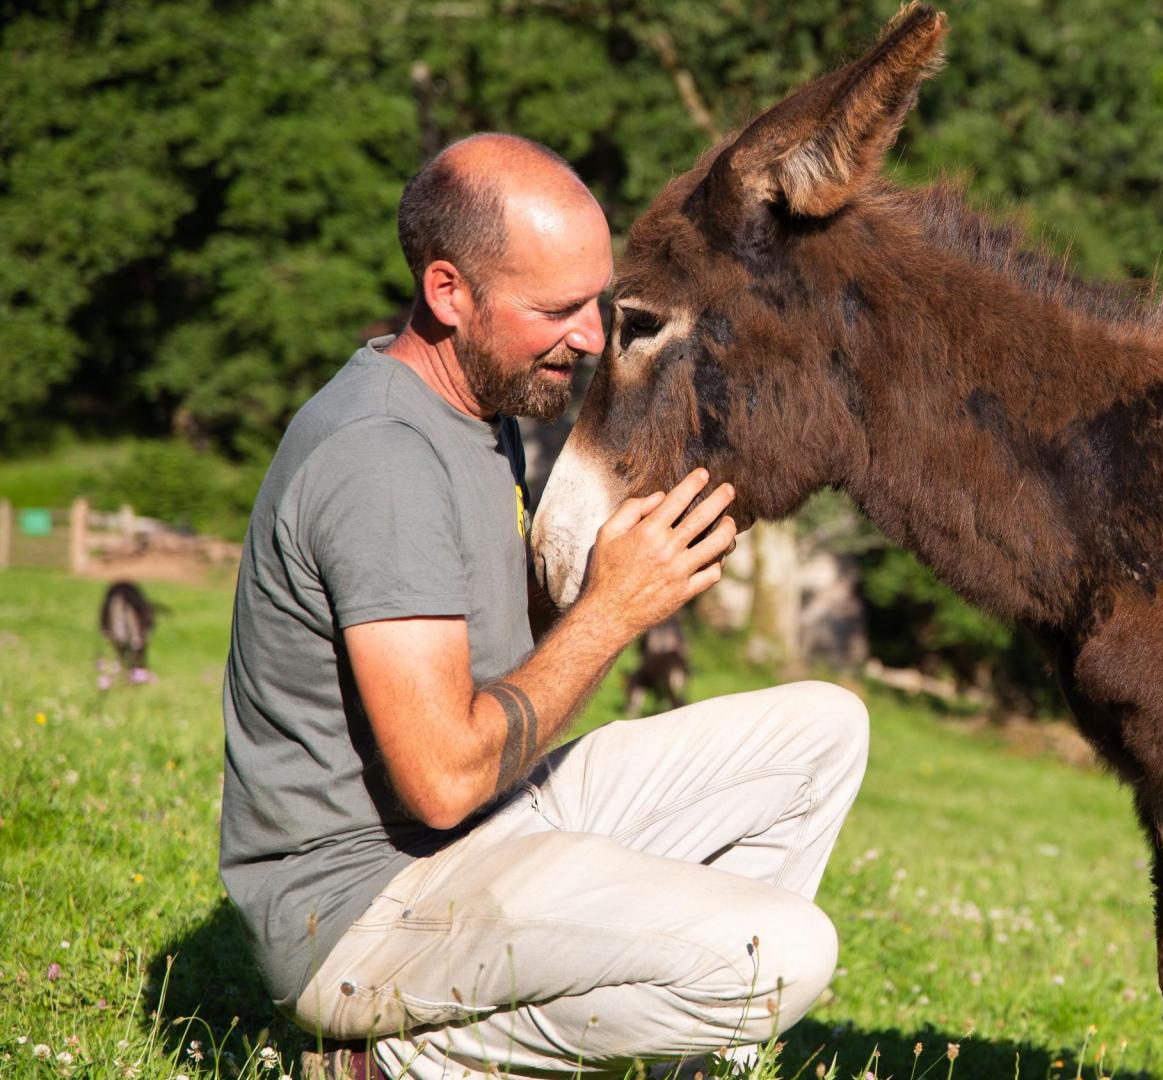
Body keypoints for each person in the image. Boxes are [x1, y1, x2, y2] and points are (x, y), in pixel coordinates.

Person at [218, 133, 868, 1080]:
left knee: (825, 730)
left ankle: (679, 1038)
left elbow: (479, 640)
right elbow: (441, 778)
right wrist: (613, 611)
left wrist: (620, 565)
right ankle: (391, 1068)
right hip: (361, 915)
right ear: (448, 294)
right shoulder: (379, 463)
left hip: (479, 834)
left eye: (596, 302)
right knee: (785, 954)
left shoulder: (480, 415)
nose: (595, 337)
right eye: (556, 309)